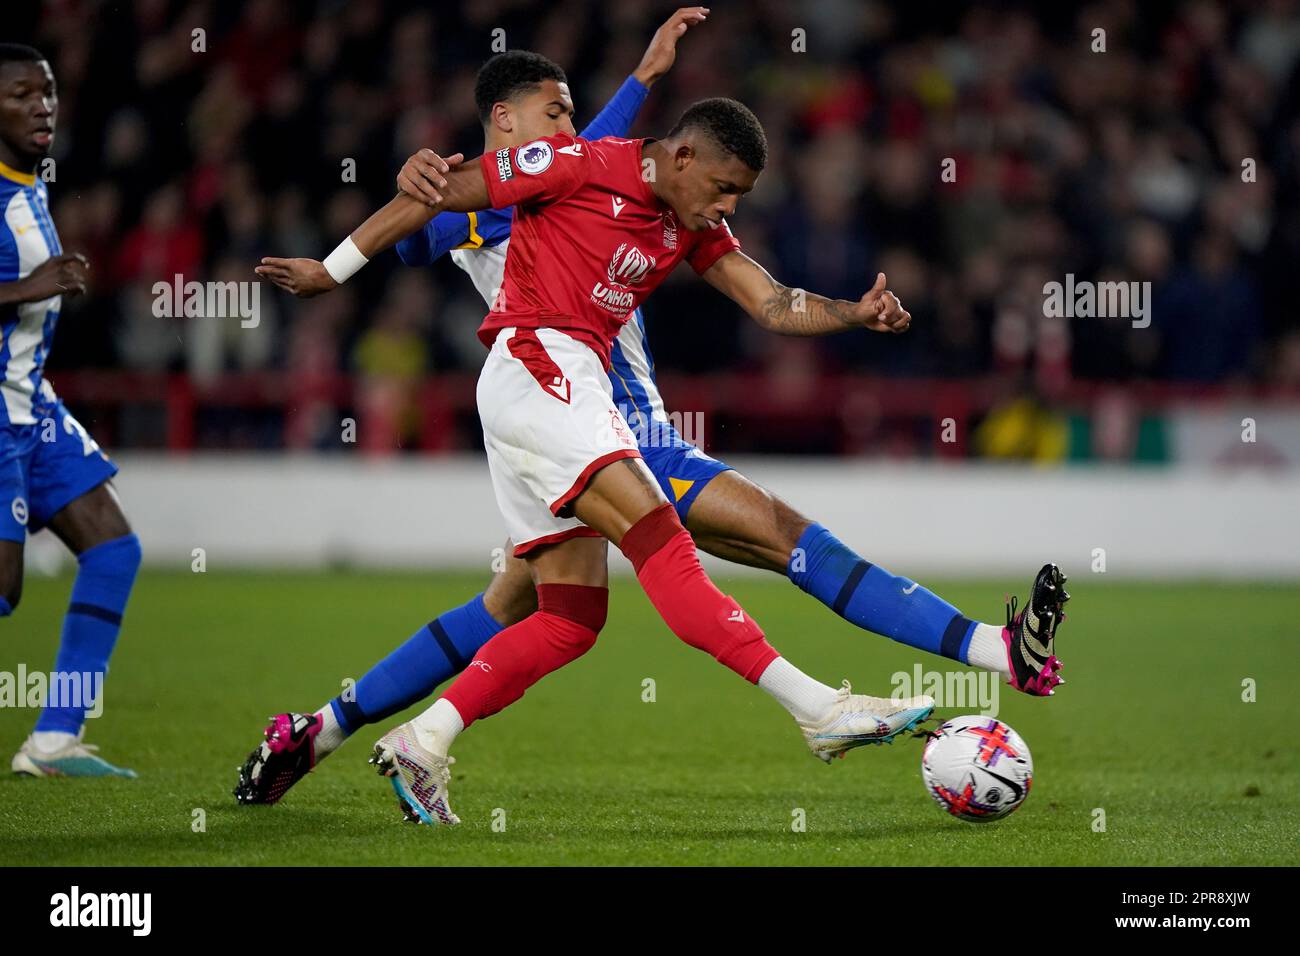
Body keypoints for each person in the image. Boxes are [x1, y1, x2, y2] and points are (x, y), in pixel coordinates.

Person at [246, 34, 1067, 822]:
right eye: (555, 110)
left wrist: (853, 312)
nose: (571, 124)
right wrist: (350, 248)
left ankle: (339, 731)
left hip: (586, 407)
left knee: (548, 613)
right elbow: (509, 186)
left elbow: (754, 283)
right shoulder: (522, 189)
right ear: (504, 120)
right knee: (772, 538)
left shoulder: (645, 193)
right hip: (570, 394)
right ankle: (853, 696)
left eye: (574, 110)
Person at [0, 43, 142, 779]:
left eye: (47, 93)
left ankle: (54, 741)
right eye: (22, 94)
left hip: (32, 402)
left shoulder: (26, 183)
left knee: (114, 549)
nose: (41, 106)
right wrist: (28, 289)